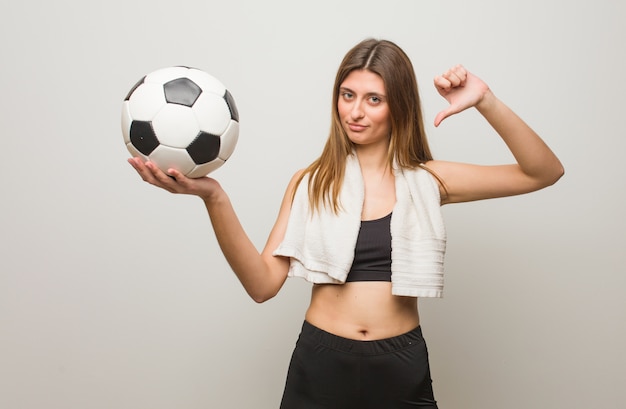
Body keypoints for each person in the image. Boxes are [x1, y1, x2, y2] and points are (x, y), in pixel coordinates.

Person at [128, 38, 563, 408]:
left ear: (399, 107)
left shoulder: (429, 179)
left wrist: (485, 100)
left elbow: (542, 171)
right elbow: (262, 285)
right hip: (320, 364)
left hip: (400, 365)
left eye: (374, 99)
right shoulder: (311, 182)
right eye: (347, 95)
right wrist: (214, 198)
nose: (356, 111)